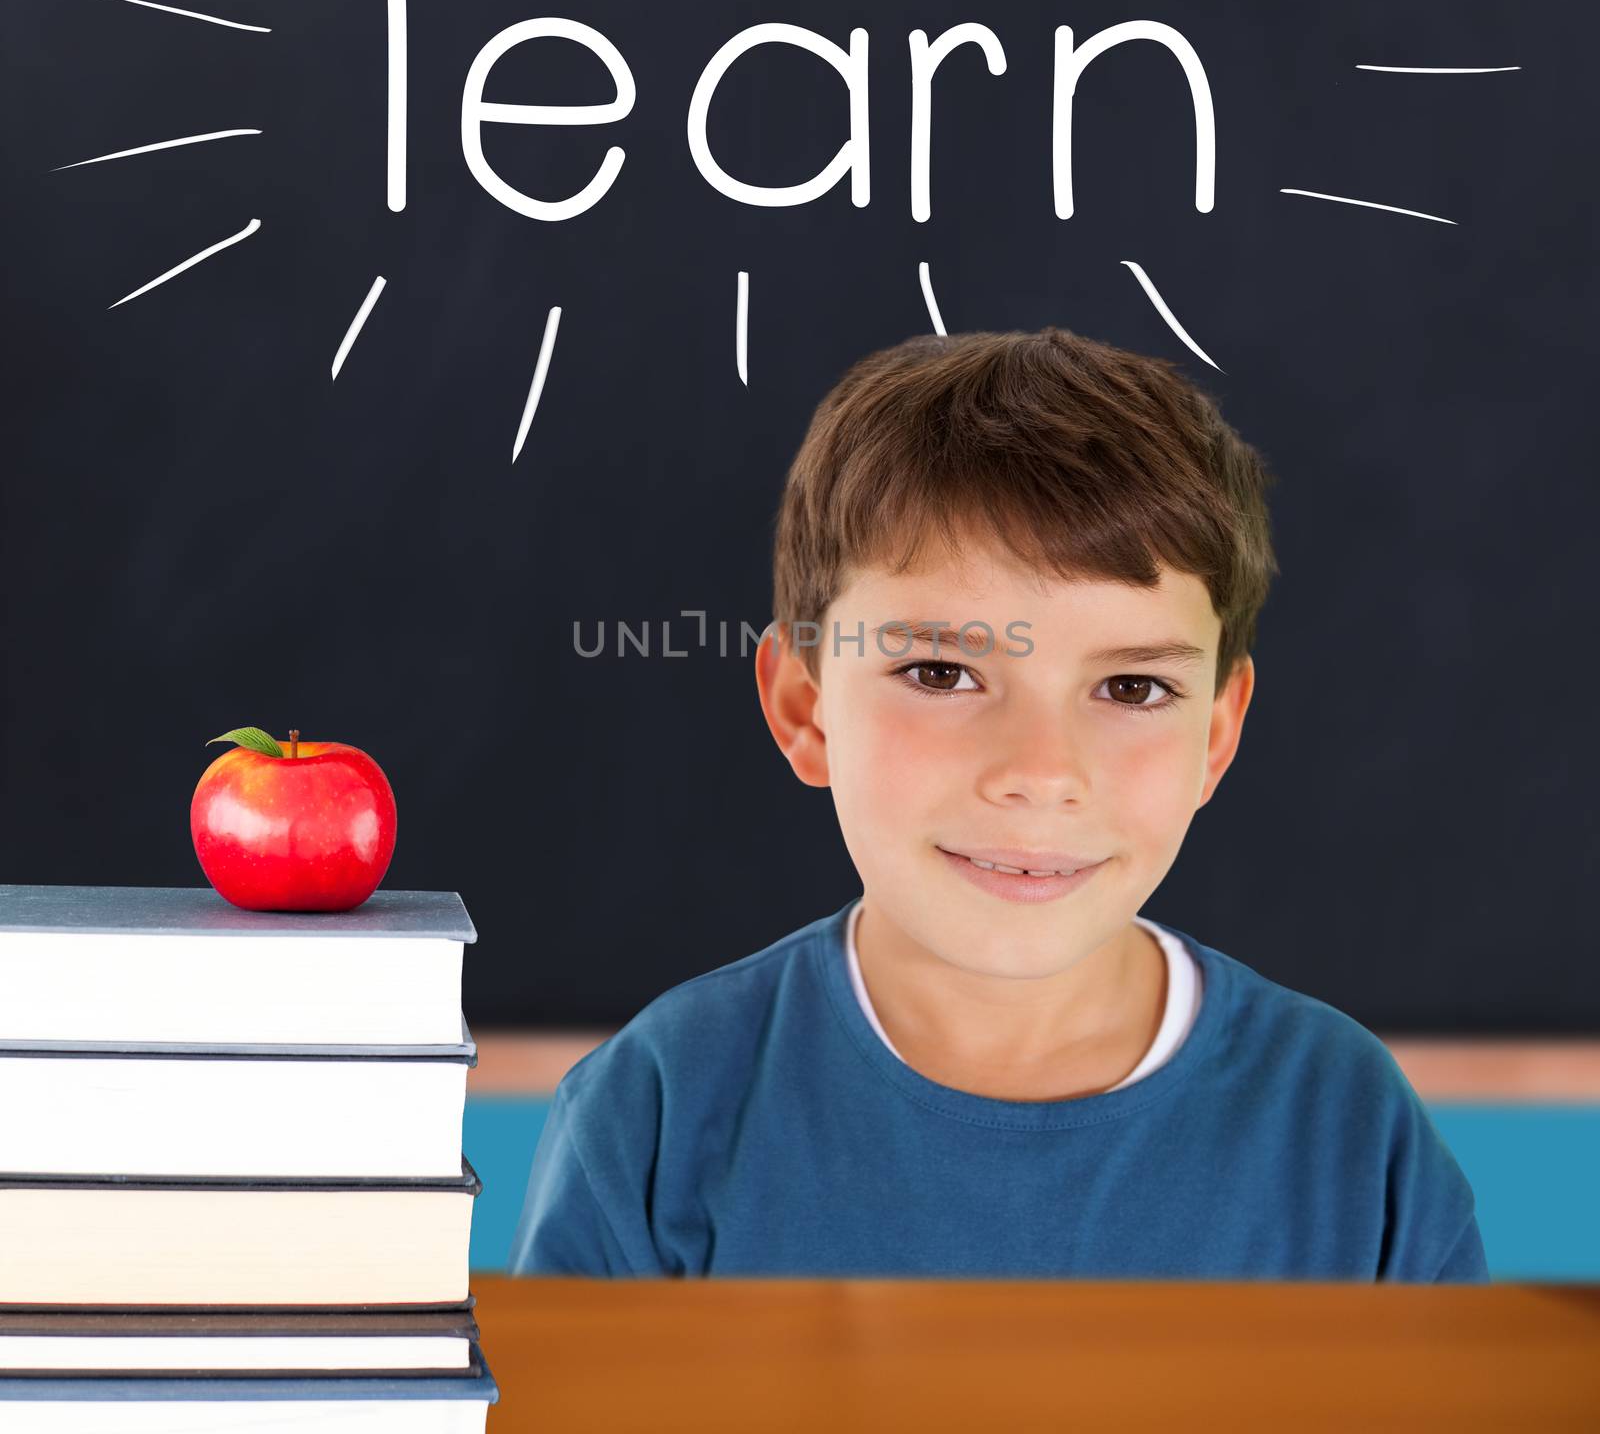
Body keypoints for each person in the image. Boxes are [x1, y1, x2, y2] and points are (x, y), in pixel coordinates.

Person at [508, 326, 1488, 1281]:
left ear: (1215, 737)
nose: (1040, 770)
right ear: (805, 707)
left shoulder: (1350, 1136)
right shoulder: (655, 1118)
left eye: (1132, 688)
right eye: (940, 671)